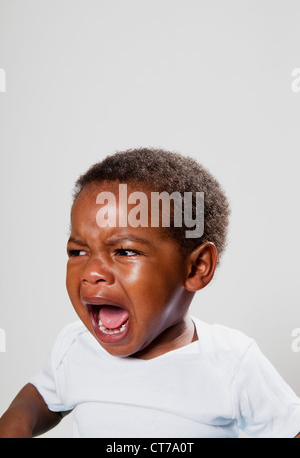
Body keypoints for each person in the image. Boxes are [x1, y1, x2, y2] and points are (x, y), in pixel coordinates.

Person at [1, 148, 300, 438]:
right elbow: (38, 398)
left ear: (196, 268)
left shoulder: (232, 361)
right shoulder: (75, 347)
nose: (91, 272)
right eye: (78, 251)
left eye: (125, 250)